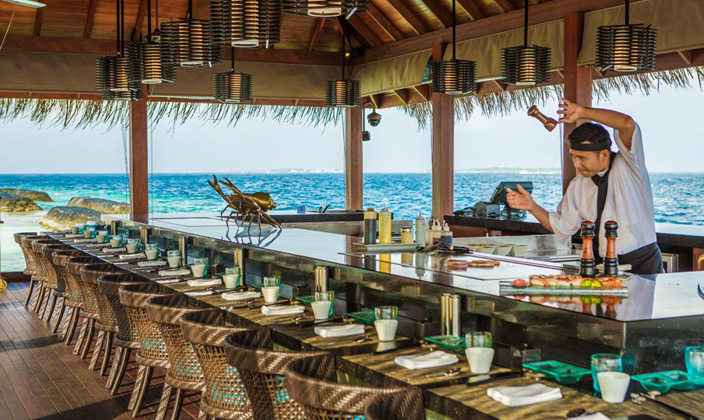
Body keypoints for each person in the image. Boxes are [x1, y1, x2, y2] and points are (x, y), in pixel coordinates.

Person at [506, 99, 663, 275]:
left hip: (642, 264)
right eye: (573, 157)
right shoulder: (578, 185)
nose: (576, 164)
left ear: (604, 155)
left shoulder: (630, 166)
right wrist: (531, 206)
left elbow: (627, 123)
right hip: (601, 266)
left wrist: (583, 112)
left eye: (582, 158)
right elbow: (562, 226)